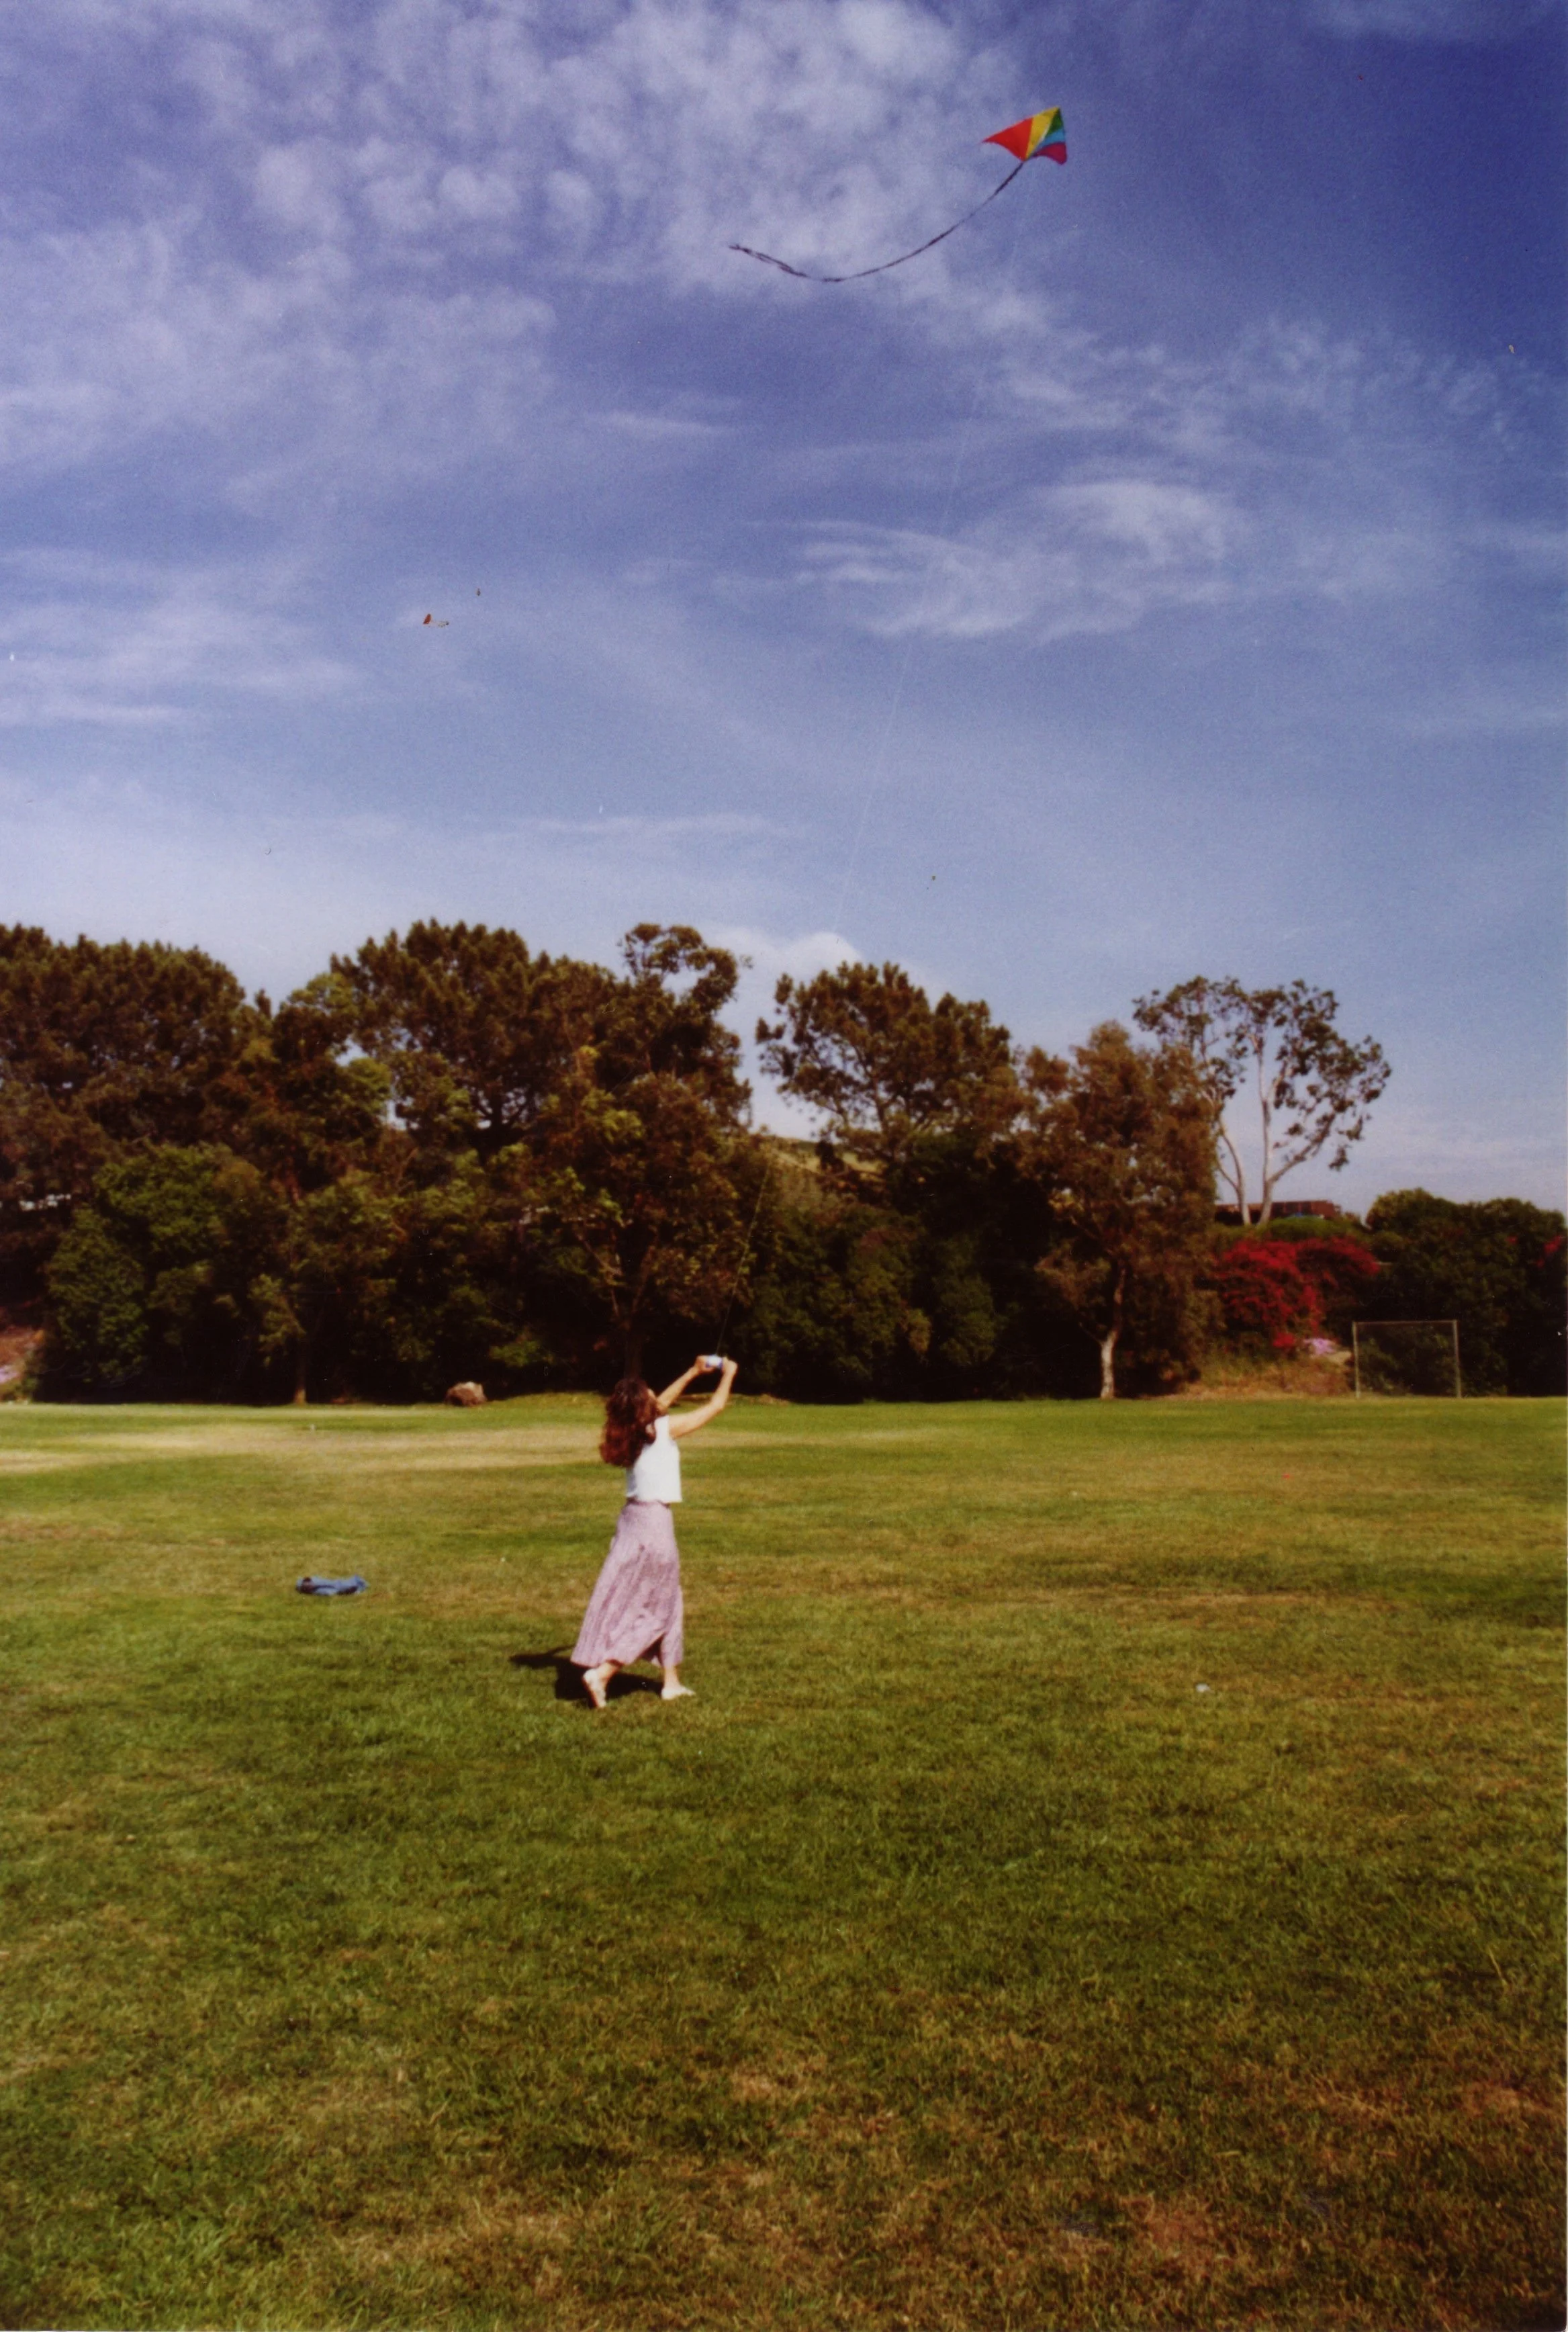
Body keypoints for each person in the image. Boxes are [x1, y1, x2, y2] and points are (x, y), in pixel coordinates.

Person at [573, 1355, 739, 1709]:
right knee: (655, 1606)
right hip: (654, 1524)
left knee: (669, 1598)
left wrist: (694, 1371)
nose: (655, 1398)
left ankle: (671, 1683)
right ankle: (602, 1673)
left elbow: (660, 1404)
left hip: (631, 1521)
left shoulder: (631, 1430)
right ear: (643, 1405)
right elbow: (716, 1406)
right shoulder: (660, 1430)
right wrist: (730, 1374)